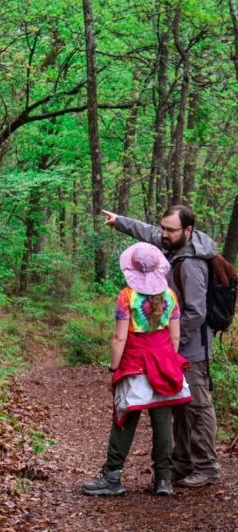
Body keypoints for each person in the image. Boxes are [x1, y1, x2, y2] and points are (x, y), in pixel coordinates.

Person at [101, 205, 221, 488]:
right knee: (176, 405)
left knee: (197, 407)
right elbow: (149, 232)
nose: (163, 234)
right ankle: (179, 465)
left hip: (191, 348)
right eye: (163, 228)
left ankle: (206, 466)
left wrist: (165, 346)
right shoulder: (175, 244)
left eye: (170, 230)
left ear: (187, 230)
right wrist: (119, 221)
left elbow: (196, 313)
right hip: (169, 349)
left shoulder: (191, 264)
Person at [83, 242, 192, 497]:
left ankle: (112, 476)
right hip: (164, 360)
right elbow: (175, 337)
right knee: (163, 421)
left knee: (125, 416)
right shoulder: (170, 296)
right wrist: (169, 361)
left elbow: (119, 338)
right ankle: (163, 479)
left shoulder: (127, 296)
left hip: (135, 362)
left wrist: (113, 368)